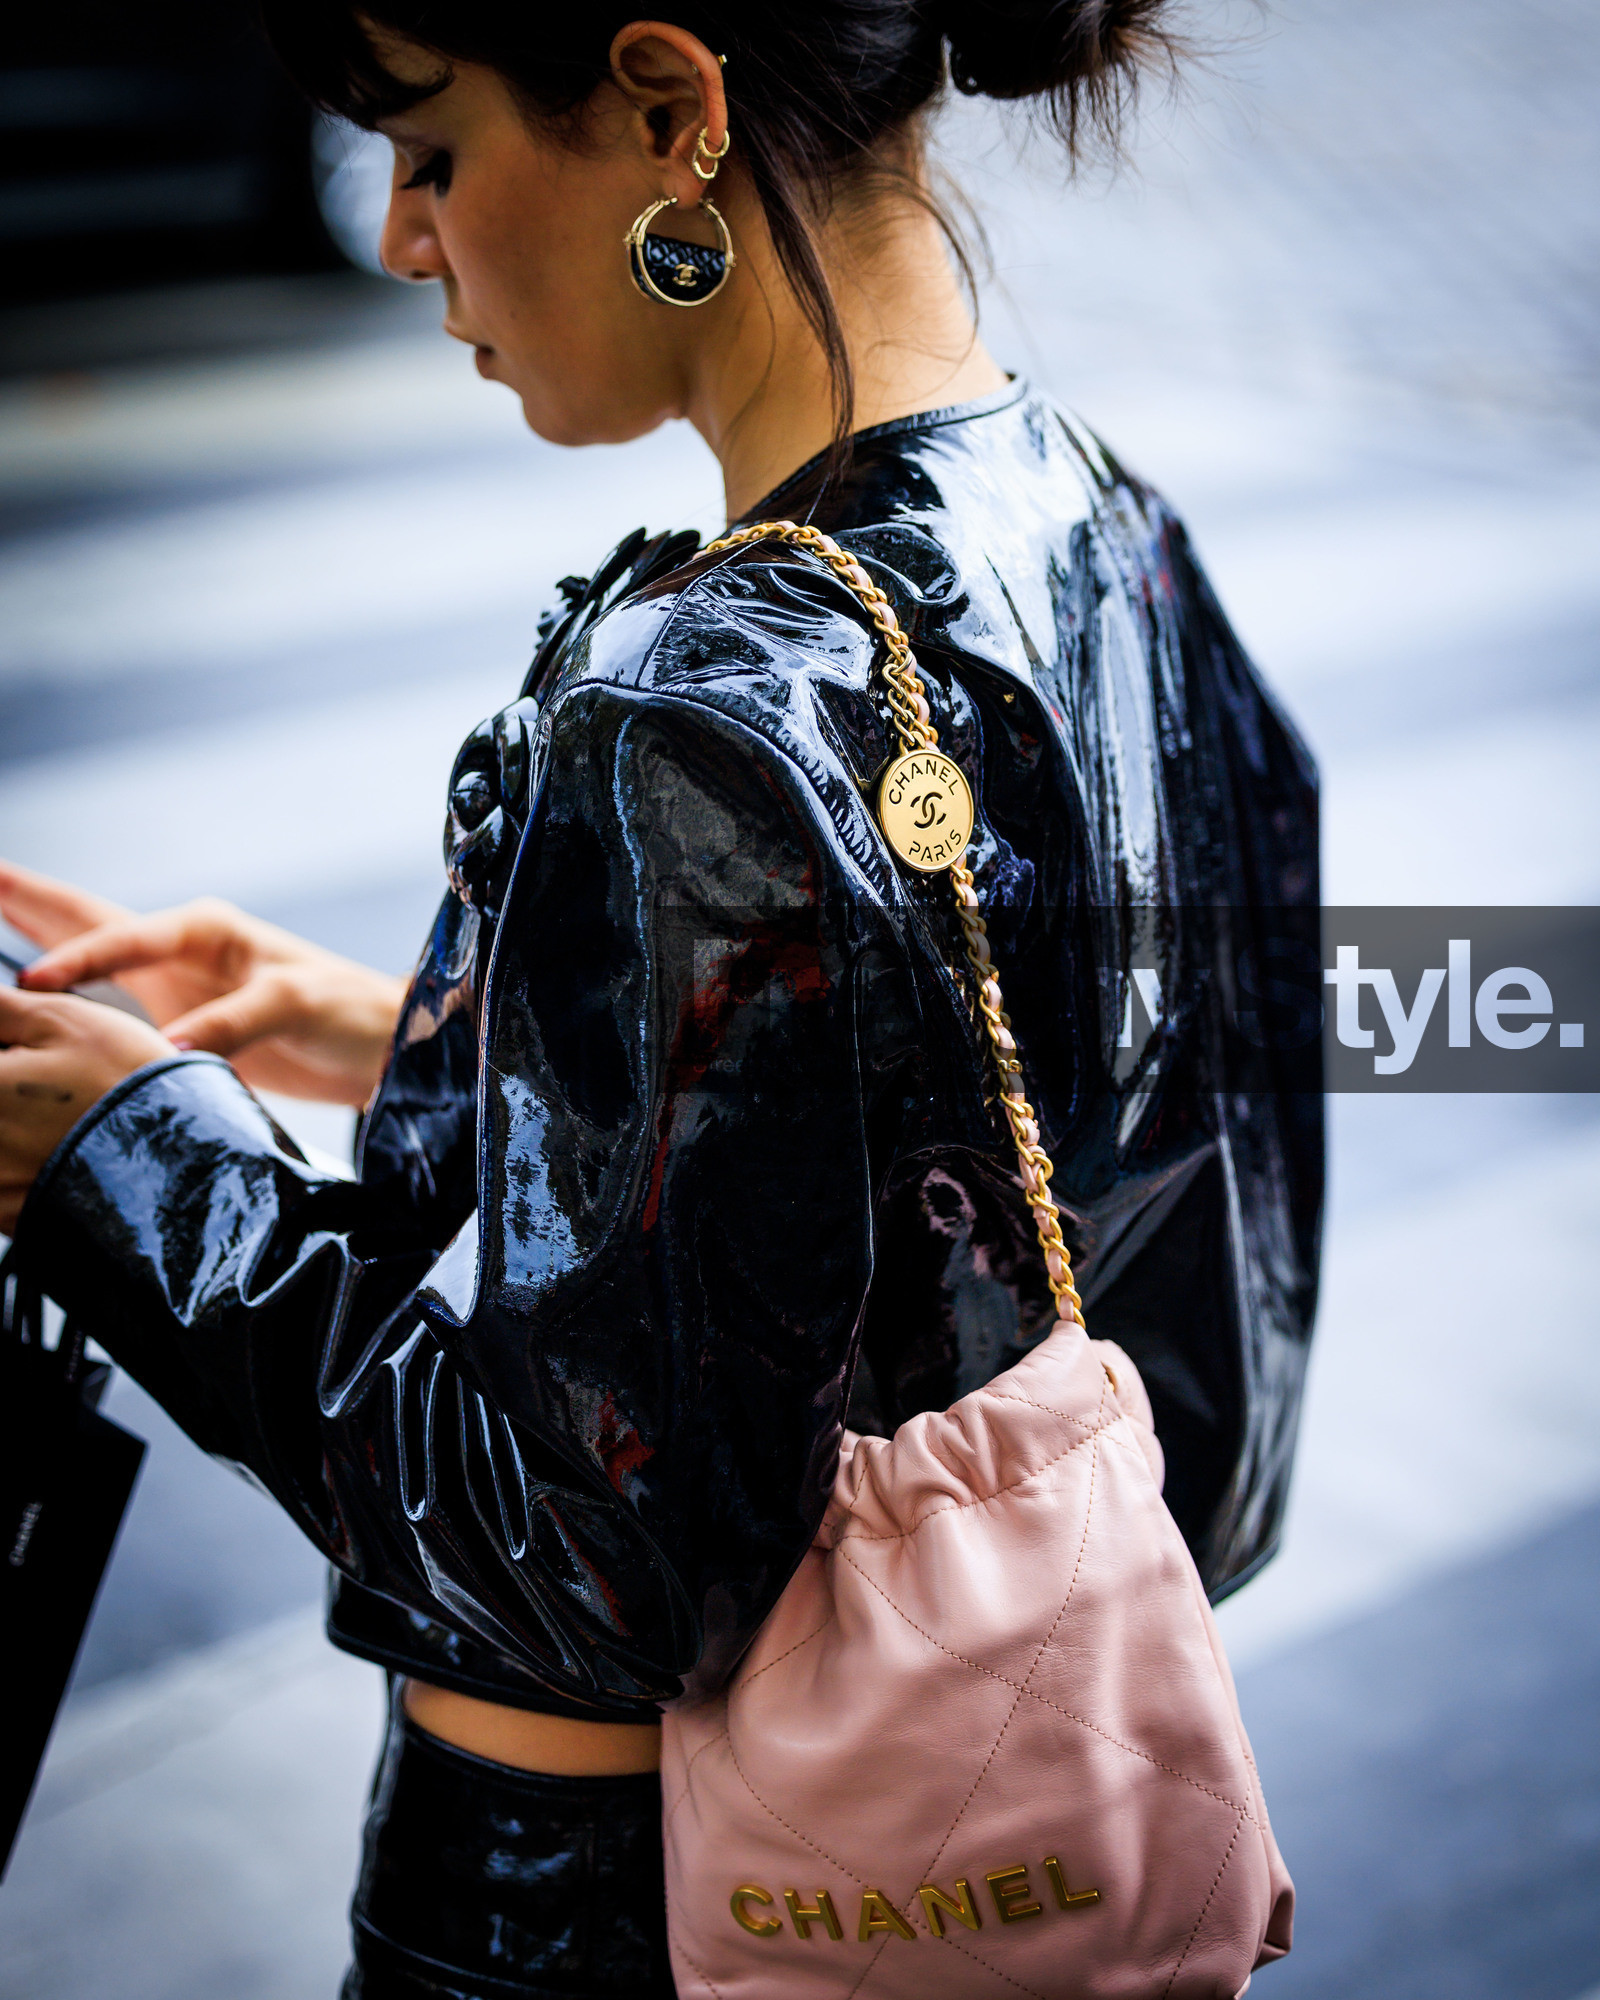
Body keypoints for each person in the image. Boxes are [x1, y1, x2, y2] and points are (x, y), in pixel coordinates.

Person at [0, 2, 1322, 1993]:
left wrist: (132, 1166)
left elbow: (579, 1553)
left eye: (431, 148)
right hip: (990, 1848)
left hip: (606, 1903)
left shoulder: (702, 710)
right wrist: (452, 1044)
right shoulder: (1108, 531)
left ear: (666, 110)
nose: (400, 237)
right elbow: (1126, 1279)